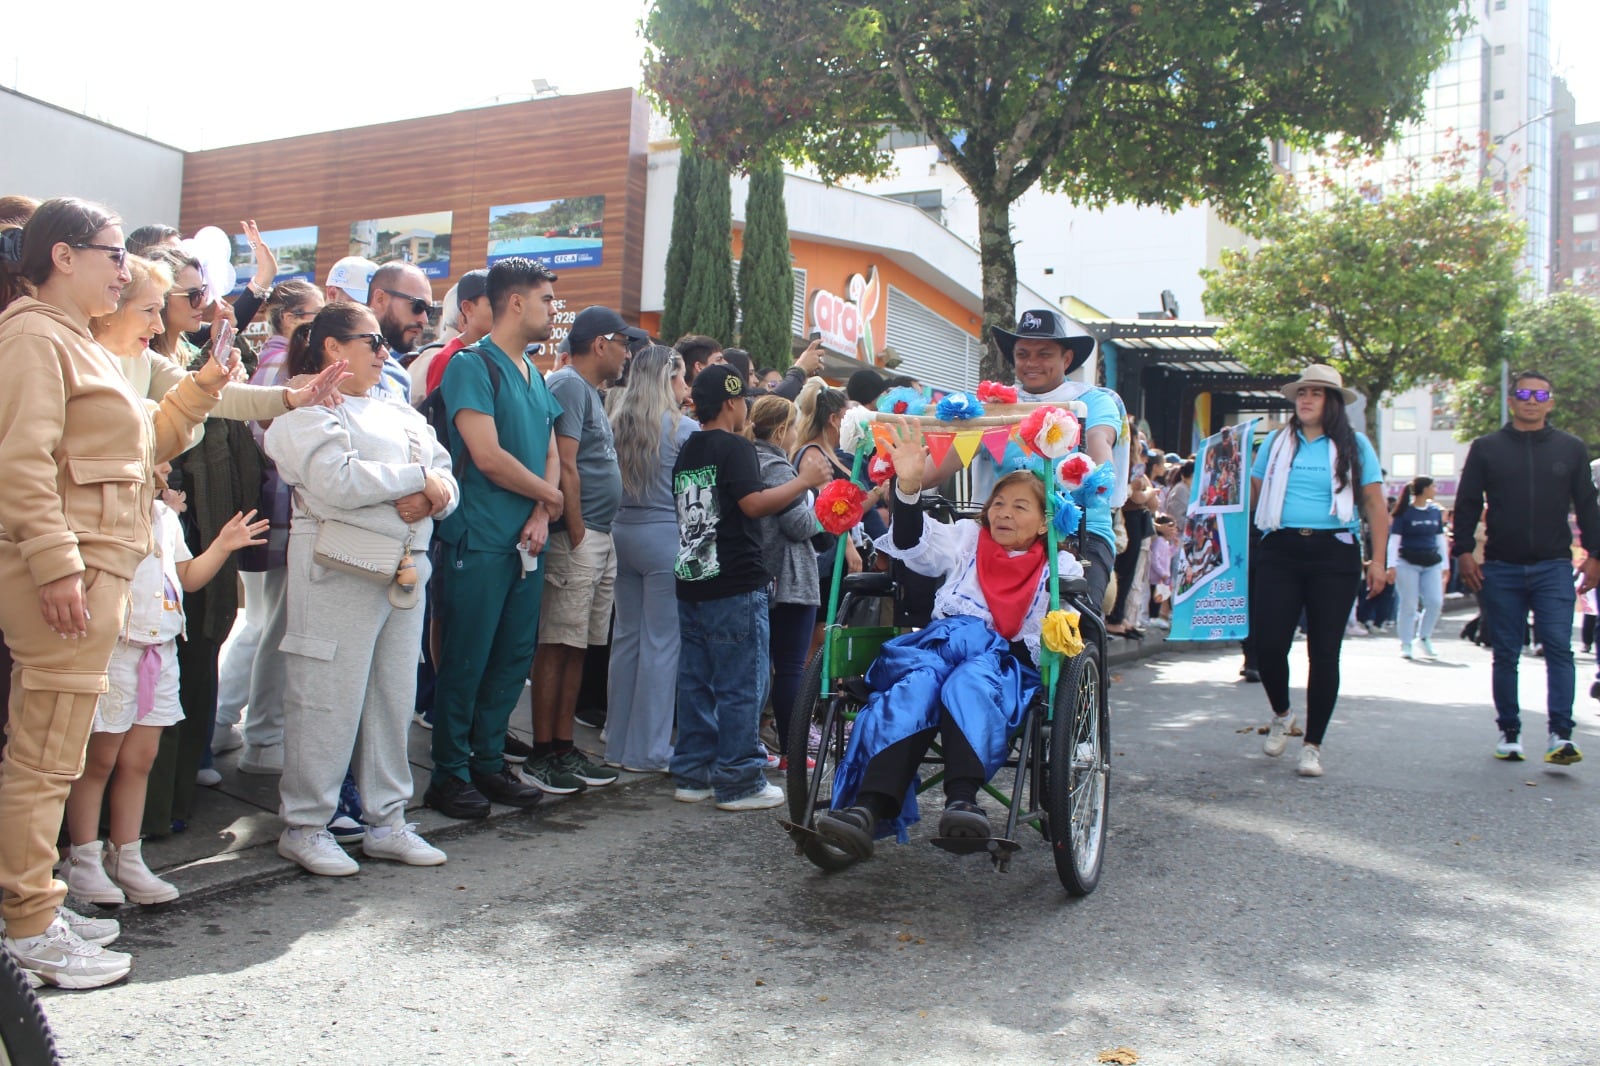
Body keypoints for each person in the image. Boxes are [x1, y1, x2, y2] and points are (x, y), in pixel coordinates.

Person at [0, 197, 228, 989]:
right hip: (71, 574)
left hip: (98, 568)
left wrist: (201, 388)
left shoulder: (75, 340)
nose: (126, 272)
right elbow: (21, 462)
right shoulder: (35, 337)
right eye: (113, 254)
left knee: (55, 753)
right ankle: (28, 925)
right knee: (43, 756)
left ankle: (35, 907)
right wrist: (56, 563)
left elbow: (137, 449)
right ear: (63, 257)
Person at [812, 420, 1086, 857]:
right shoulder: (967, 539)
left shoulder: (1059, 567)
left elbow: (1053, 639)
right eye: (998, 504)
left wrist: (988, 647)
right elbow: (914, 543)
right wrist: (908, 488)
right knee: (917, 687)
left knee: (968, 680)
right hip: (938, 653)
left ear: (1043, 523)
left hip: (1004, 669)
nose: (1004, 513)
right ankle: (867, 808)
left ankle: (962, 800)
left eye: (1020, 507)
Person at [265, 302, 458, 875]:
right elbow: (337, 480)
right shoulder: (304, 407)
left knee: (392, 697)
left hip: (405, 568)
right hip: (337, 568)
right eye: (372, 342)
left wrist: (435, 494)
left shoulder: (397, 408)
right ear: (333, 347)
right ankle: (306, 825)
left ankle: (387, 820)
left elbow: (447, 476)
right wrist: (418, 480)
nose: (383, 352)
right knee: (324, 697)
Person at [62, 467, 268, 905]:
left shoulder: (164, 516)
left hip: (160, 651)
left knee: (141, 759)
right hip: (115, 651)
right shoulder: (99, 511)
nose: (167, 468)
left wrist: (222, 545)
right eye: (157, 457)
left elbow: (187, 577)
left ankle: (127, 855)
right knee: (99, 759)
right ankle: (82, 858)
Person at [426, 258, 564, 819]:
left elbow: (551, 450)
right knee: (467, 660)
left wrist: (542, 510)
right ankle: (449, 774)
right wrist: (550, 497)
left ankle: (487, 762)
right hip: (479, 537)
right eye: (546, 299)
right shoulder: (471, 365)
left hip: (526, 541)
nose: (552, 309)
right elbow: (486, 456)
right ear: (516, 302)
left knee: (510, 659)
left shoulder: (534, 372)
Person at [671, 366, 830, 811]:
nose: (745, 408)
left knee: (697, 683)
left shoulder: (689, 448)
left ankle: (694, 773)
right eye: (743, 400)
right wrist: (804, 482)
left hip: (693, 579)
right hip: (734, 580)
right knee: (742, 684)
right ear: (730, 403)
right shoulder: (735, 447)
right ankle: (739, 780)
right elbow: (754, 504)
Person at [524, 306, 643, 793]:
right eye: (623, 344)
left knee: (578, 646)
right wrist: (575, 530)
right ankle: (543, 752)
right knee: (557, 644)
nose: (627, 354)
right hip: (578, 536)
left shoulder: (587, 390)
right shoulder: (569, 385)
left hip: (595, 534)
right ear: (600, 344)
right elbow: (565, 463)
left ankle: (562, 746)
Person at [930, 309, 1124, 607]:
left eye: (1044, 354)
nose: (1032, 363)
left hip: (1080, 533)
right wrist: (905, 478)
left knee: (1077, 618)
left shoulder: (1092, 401)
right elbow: (941, 464)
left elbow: (1100, 442)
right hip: (1007, 533)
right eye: (1023, 354)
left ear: (1067, 359)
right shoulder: (997, 407)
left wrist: (1095, 476)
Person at [1454, 370, 1600, 765]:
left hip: (1554, 566)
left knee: (1559, 649)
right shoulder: (1486, 448)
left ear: (1551, 403)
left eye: (1540, 395)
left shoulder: (1571, 448)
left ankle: (1561, 735)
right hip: (1501, 567)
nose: (1531, 401)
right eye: (1523, 394)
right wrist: (1463, 551)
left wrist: (1596, 554)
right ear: (1511, 401)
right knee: (1506, 652)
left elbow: (1587, 504)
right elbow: (1467, 502)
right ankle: (1509, 733)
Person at [1250, 365, 1387, 778]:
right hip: (1280, 547)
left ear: (1333, 402)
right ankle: (1282, 714)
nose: (1306, 399)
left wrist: (1379, 560)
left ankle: (1313, 745)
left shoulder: (1355, 444)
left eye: (1317, 393)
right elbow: (1252, 494)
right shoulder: (1275, 442)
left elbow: (1375, 504)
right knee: (1268, 644)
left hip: (1335, 552)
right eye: (1302, 392)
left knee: (1324, 651)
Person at [212, 280, 327, 775]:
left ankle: (224, 725)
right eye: (315, 316)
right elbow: (269, 437)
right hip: (279, 506)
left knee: (263, 622)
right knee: (271, 624)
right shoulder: (282, 365)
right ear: (289, 319)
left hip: (273, 507)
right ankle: (255, 735)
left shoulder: (273, 360)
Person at [604, 345, 695, 773]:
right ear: (667, 379)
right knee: (661, 643)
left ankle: (618, 743)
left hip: (621, 533)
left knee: (626, 639)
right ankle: (649, 750)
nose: (685, 386)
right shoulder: (682, 429)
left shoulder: (616, 422)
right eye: (681, 377)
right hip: (664, 537)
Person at [749, 395, 824, 768]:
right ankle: (793, 750)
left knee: (765, 665)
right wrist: (825, 510)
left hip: (767, 575)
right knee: (790, 666)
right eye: (793, 426)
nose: (796, 433)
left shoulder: (749, 460)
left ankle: (764, 744)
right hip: (790, 578)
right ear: (781, 430)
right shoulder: (778, 467)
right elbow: (798, 524)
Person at [1387, 476, 1450, 661]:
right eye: (1433, 487)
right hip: (1408, 562)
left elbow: (1440, 538)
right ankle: (1406, 642)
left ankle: (1423, 637)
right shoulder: (1404, 512)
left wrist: (1445, 564)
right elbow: (1394, 540)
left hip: (1431, 562)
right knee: (1409, 604)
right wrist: (1391, 565)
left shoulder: (1434, 511)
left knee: (1435, 602)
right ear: (1424, 489)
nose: (1435, 490)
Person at [365, 261, 432, 403]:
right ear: (380, 299)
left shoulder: (400, 377)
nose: (424, 319)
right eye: (418, 306)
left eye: (429, 311)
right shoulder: (328, 361)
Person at [419, 268, 491, 399]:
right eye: (492, 304)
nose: (501, 310)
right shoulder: (447, 358)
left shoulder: (500, 355)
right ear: (467, 308)